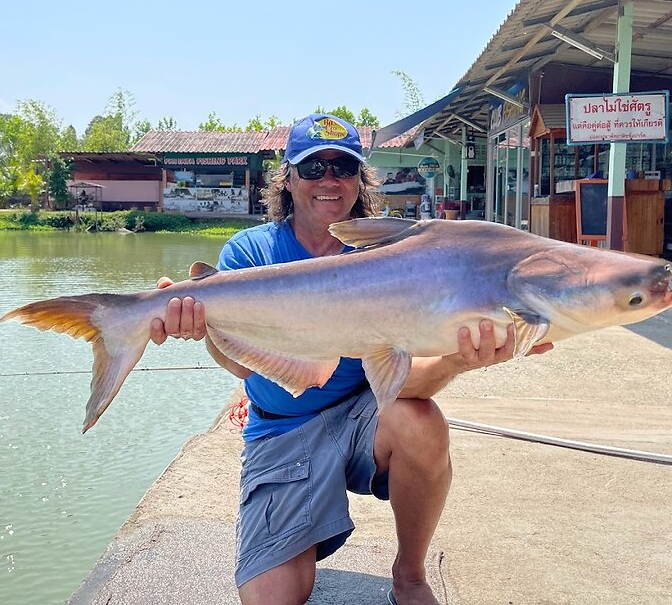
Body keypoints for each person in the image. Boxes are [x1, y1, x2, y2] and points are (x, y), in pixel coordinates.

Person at [149, 114, 553, 605]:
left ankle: (409, 575)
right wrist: (203, 329)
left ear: (360, 180)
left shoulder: (393, 255)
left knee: (421, 422)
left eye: (343, 167)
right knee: (272, 597)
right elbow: (242, 368)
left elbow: (401, 381)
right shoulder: (250, 252)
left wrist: (457, 361)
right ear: (289, 179)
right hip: (281, 429)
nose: (329, 181)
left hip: (362, 417)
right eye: (313, 167)